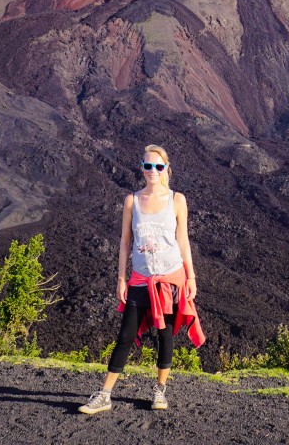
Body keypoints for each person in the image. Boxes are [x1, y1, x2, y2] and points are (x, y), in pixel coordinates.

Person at [79, 144, 205, 414]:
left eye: (158, 166)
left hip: (171, 278)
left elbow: (183, 241)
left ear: (166, 169)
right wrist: (121, 278)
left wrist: (191, 276)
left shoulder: (177, 200)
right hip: (140, 278)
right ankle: (104, 394)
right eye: (148, 166)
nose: (153, 171)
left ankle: (160, 391)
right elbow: (125, 242)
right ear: (142, 168)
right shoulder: (132, 200)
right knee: (125, 336)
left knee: (165, 336)